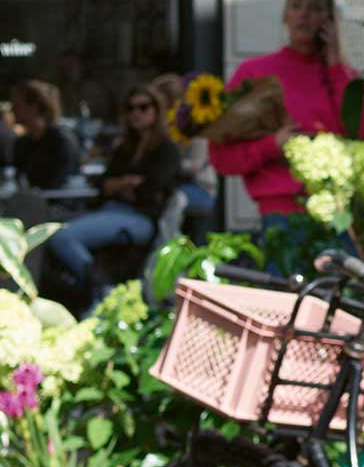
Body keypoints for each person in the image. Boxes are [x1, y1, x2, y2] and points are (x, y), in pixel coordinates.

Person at [209, 0, 364, 218]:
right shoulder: (254, 74)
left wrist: (336, 66)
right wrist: (272, 146)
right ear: (285, 15)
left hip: (341, 211)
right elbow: (221, 156)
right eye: (297, 6)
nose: (304, 15)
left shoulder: (348, 79)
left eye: (315, 8)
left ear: (329, 22)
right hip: (281, 212)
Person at [45, 80, 182, 305]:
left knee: (63, 237)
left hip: (140, 218)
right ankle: (96, 286)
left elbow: (151, 188)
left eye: (143, 107)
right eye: (130, 108)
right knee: (53, 229)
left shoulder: (166, 149)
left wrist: (120, 186)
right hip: (113, 210)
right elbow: (102, 185)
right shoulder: (124, 147)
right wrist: (123, 184)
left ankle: (103, 289)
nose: (136, 113)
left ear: (156, 111)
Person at [148, 71, 217, 222]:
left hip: (198, 189)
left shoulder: (193, 127)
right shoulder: (157, 128)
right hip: (169, 186)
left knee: (170, 199)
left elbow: (196, 165)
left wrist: (167, 165)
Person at [9, 81, 80, 189]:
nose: (12, 110)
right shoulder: (22, 143)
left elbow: (62, 185)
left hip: (57, 203)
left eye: (16, 104)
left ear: (34, 107)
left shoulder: (61, 141)